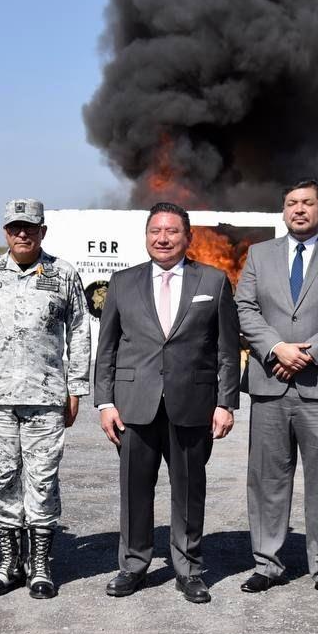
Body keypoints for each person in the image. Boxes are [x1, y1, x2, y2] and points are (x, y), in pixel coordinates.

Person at [93, 202, 241, 604]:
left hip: (193, 404)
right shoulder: (122, 282)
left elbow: (228, 349)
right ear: (146, 236)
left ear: (188, 237)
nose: (163, 238)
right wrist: (104, 402)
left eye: (172, 231)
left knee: (189, 489)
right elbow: (106, 349)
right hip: (133, 405)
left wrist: (226, 403)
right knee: (134, 489)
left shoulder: (213, 280)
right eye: (155, 231)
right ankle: (133, 565)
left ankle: (189, 568)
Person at [233, 178, 318, 604]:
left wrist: (309, 353)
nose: (299, 210)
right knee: (267, 480)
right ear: (283, 210)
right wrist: (276, 347)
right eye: (292, 203)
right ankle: (266, 564)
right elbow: (245, 308)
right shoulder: (259, 254)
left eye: (308, 203)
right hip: (270, 384)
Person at [0, 199, 91, 600]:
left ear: (42, 231)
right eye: (15, 227)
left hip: (46, 396)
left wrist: (76, 387)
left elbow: (81, 331)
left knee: (42, 479)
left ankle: (41, 565)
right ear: (5, 232)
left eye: (30, 227)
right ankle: (8, 563)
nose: (22, 234)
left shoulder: (63, 274)